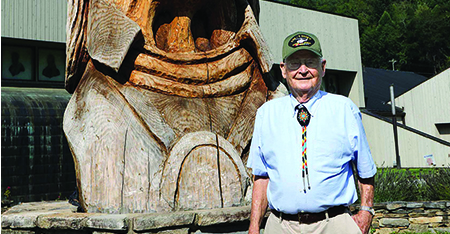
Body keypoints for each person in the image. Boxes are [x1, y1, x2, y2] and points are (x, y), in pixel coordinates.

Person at [247, 31, 377, 234]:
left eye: (310, 62)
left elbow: (365, 169)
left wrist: (366, 211)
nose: (303, 70)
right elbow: (261, 177)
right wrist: (254, 227)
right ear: (283, 70)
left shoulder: (344, 109)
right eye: (294, 63)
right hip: (280, 226)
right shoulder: (266, 114)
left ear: (323, 67)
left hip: (334, 224)